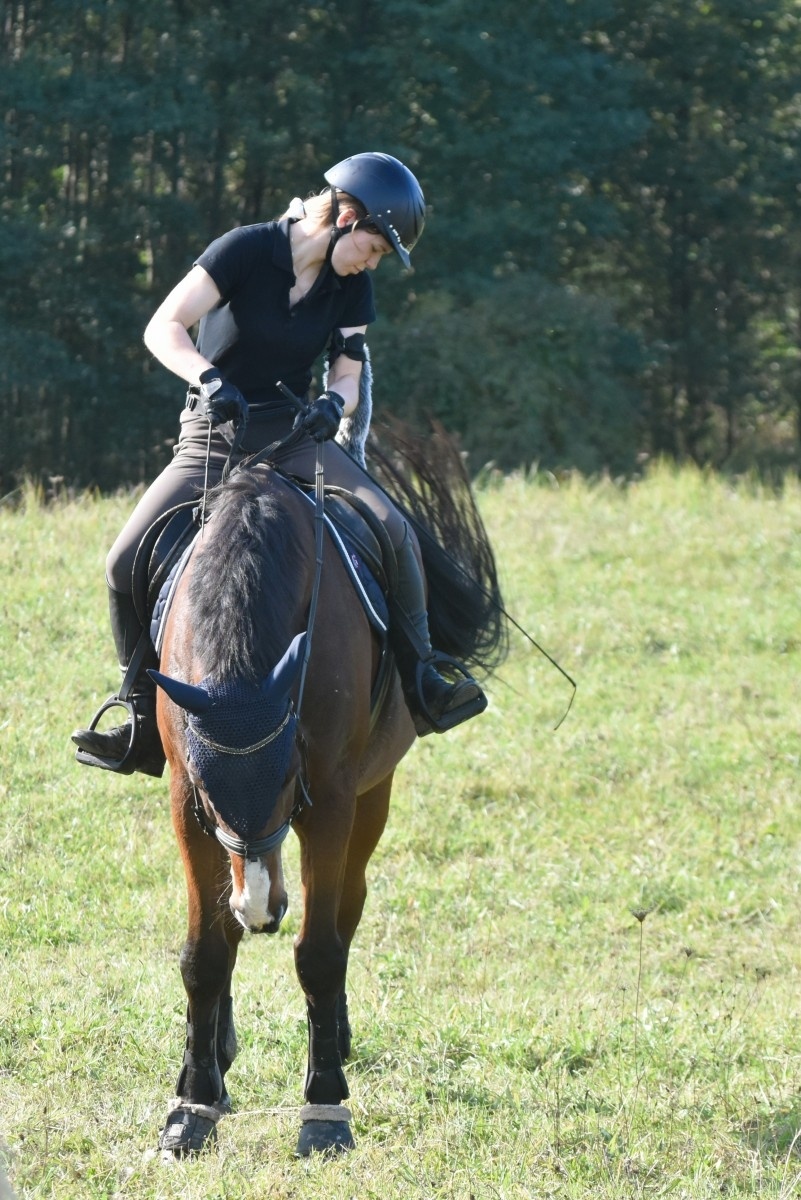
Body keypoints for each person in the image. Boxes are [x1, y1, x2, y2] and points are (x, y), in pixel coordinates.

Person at [72, 152, 485, 776]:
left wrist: (330, 405)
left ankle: (423, 679)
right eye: (373, 247)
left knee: (395, 530)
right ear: (347, 216)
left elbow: (348, 372)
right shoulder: (244, 250)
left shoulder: (351, 285)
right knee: (123, 560)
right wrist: (208, 379)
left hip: (295, 437)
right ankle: (137, 714)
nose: (372, 262)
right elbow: (165, 328)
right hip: (214, 435)